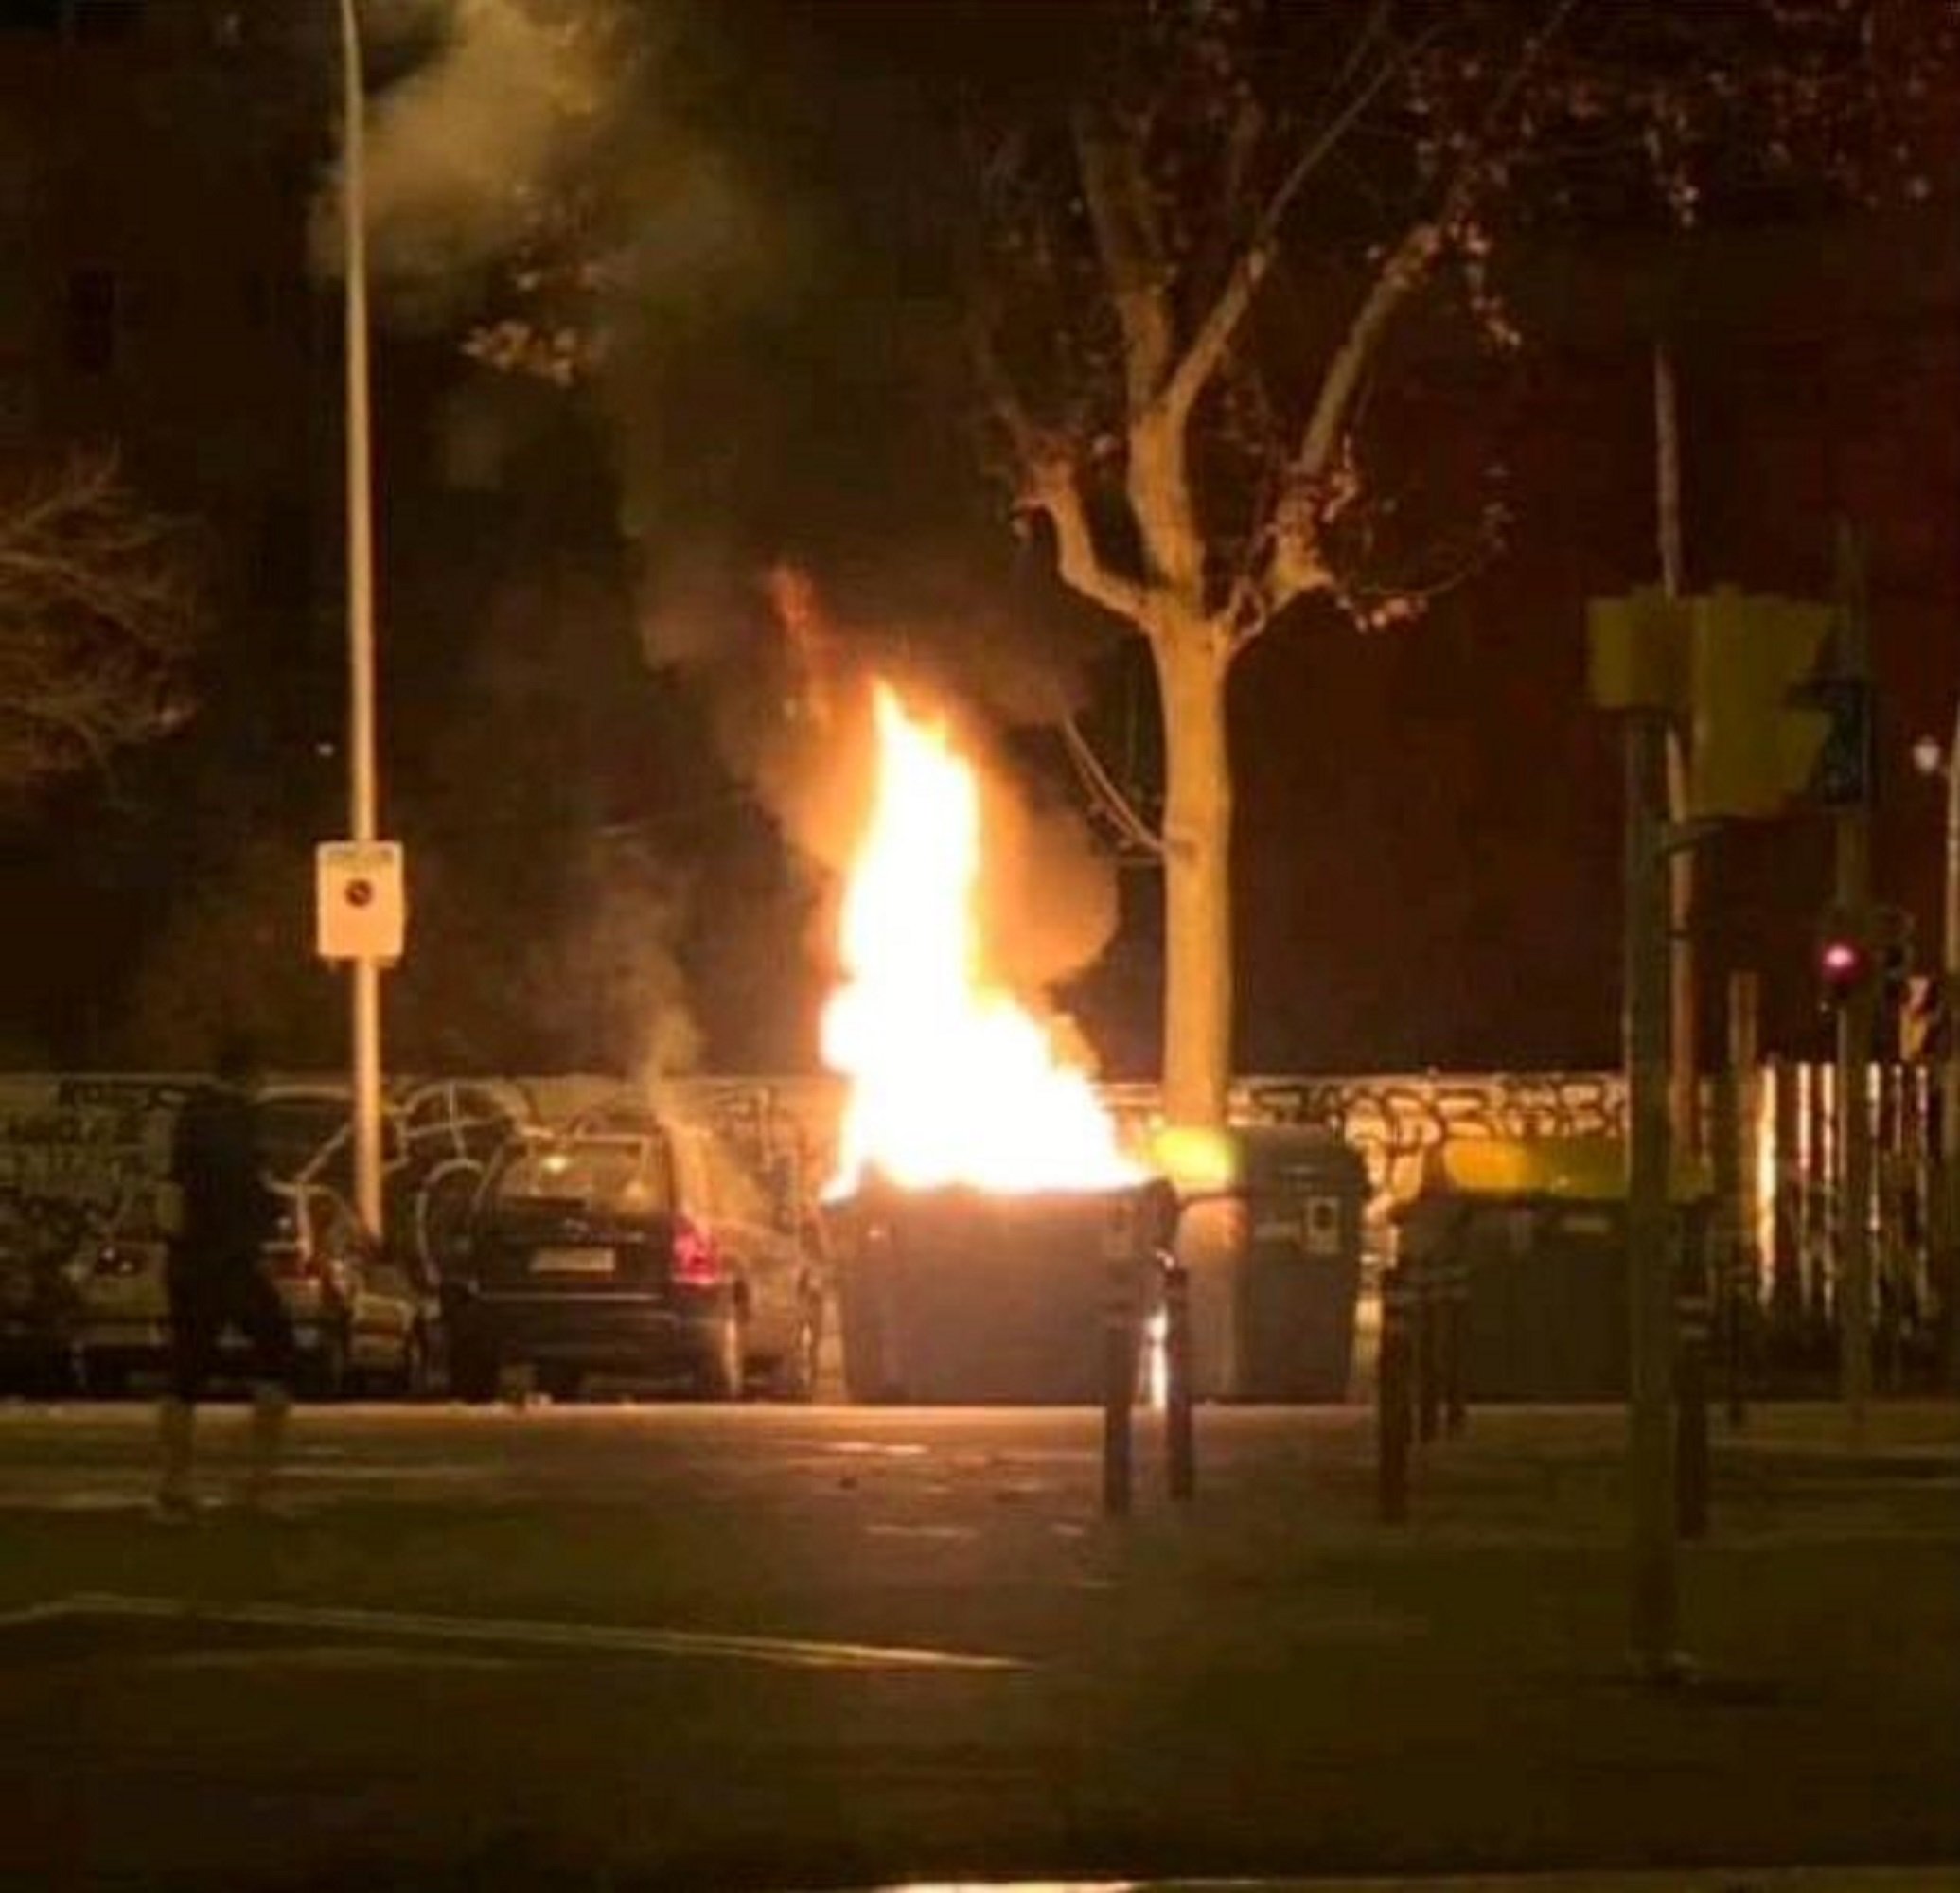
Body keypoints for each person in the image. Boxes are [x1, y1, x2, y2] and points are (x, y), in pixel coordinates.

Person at [155, 1031, 294, 1519]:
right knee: (276, 1349)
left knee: (187, 1368)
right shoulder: (238, 1119)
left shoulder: (191, 1115)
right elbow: (241, 1187)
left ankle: (175, 1483)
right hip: (230, 1258)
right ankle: (260, 1482)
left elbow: (181, 1185)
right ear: (252, 1073)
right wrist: (273, 1209)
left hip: (189, 1260)